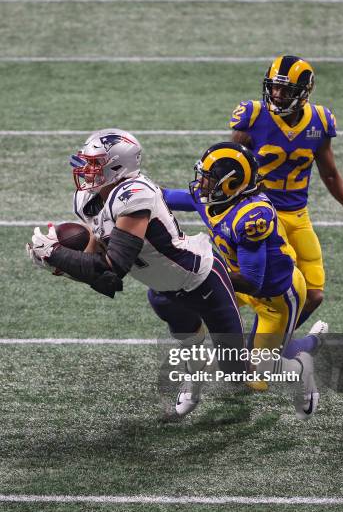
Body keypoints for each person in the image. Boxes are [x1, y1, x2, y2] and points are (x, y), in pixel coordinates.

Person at [26, 128, 248, 417]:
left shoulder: (133, 195)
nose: (85, 170)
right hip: (164, 291)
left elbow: (113, 269)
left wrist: (56, 253)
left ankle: (300, 360)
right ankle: (195, 374)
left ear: (117, 167)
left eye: (94, 164)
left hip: (203, 281)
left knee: (237, 371)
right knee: (190, 342)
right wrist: (60, 263)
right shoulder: (88, 201)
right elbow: (101, 276)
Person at [163, 141, 328, 417]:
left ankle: (302, 365)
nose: (202, 185)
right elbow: (164, 197)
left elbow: (253, 280)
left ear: (232, 184)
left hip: (276, 296)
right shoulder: (211, 199)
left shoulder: (252, 216)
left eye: (210, 179)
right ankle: (194, 374)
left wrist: (202, 273)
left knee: (255, 374)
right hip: (235, 283)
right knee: (186, 313)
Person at [229, 54, 343, 328]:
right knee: (269, 292)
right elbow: (232, 168)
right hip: (261, 214)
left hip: (298, 217)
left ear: (304, 93)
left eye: (285, 89)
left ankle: (276, 345)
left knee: (313, 295)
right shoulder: (252, 116)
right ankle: (242, 346)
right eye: (273, 87)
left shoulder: (320, 121)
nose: (276, 94)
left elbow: (330, 175)